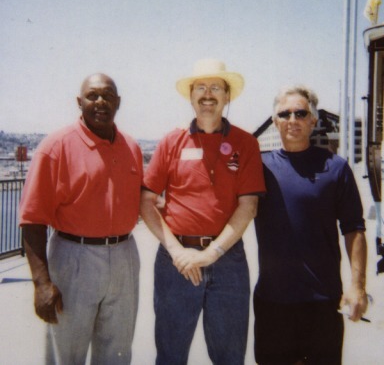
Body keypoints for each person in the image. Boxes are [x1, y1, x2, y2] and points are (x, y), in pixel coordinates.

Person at [140, 58, 266, 365]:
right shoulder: (171, 141)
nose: (207, 94)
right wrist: (176, 250)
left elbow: (248, 205)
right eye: (200, 87)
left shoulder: (245, 143)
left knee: (229, 357)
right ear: (191, 95)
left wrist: (211, 254)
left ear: (227, 96)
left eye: (215, 88)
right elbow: (147, 200)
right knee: (170, 355)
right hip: (176, 260)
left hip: (228, 261)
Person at [19, 73, 143, 364]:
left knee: (117, 352)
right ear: (79, 102)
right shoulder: (55, 146)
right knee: (68, 354)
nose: (100, 101)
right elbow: (32, 219)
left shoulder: (132, 147)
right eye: (92, 95)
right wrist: (41, 283)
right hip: (75, 258)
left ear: (119, 102)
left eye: (108, 95)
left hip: (124, 257)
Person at [253, 85, 368, 365]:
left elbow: (354, 229)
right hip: (273, 301)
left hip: (322, 301)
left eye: (301, 113)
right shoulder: (258, 168)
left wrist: (357, 286)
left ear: (313, 120)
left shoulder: (336, 168)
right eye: (285, 114)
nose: (292, 119)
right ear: (276, 120)